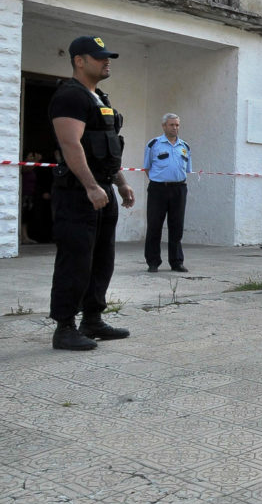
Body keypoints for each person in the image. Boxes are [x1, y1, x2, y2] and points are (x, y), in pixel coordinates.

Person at [48, 36, 135, 350]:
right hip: (78, 193)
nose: (106, 61)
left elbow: (109, 148)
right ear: (79, 60)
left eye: (107, 57)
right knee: (76, 260)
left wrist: (121, 183)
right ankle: (65, 327)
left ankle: (93, 319)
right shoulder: (70, 96)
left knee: (102, 259)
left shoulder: (100, 97)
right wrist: (90, 186)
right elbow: (71, 144)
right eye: (99, 57)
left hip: (103, 189)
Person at [143, 113, 191, 272]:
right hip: (158, 189)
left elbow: (187, 169)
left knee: (177, 226)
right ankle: (153, 262)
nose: (175, 128)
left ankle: (176, 261)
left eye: (177, 125)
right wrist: (160, 180)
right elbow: (147, 167)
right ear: (164, 126)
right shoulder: (154, 144)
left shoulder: (185, 146)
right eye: (171, 125)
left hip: (179, 188)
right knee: (154, 225)